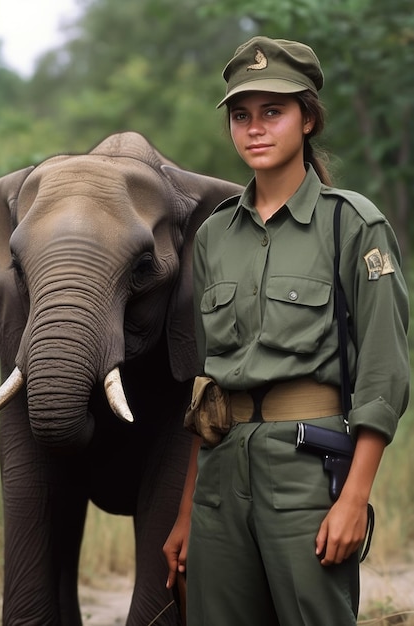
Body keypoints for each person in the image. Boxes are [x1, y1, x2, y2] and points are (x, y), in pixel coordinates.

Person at [163, 36, 410, 626]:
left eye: (273, 112)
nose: (255, 128)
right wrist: (187, 511)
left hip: (308, 468)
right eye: (242, 115)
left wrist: (354, 498)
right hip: (222, 478)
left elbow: (383, 374)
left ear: (308, 118)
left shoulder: (352, 225)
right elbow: (209, 386)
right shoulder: (214, 237)